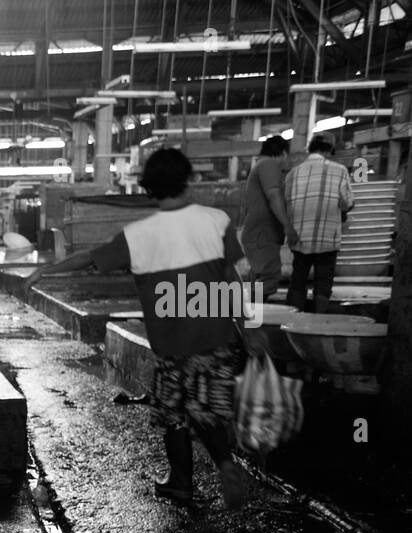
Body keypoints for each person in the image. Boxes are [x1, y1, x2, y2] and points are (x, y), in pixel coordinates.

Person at [26, 148, 253, 511]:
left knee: (175, 413)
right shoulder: (217, 220)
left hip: (172, 342)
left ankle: (181, 482)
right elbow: (236, 278)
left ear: (148, 187)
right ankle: (225, 464)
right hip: (218, 336)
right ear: (187, 179)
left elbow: (89, 259)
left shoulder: (139, 235)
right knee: (206, 408)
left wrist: (45, 271)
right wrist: (247, 327)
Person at [284, 133, 356, 314]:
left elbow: (287, 203)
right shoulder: (339, 170)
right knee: (323, 281)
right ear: (329, 150)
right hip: (327, 237)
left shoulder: (293, 173)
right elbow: (347, 202)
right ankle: (318, 320)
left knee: (298, 279)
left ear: (311, 149)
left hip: (300, 237)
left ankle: (293, 319)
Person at [239, 136, 298, 300]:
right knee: (268, 279)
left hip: (259, 234)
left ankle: (249, 320)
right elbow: (273, 194)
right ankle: (249, 317)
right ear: (283, 153)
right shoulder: (268, 164)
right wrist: (287, 225)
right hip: (262, 234)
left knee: (258, 279)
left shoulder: (260, 165)